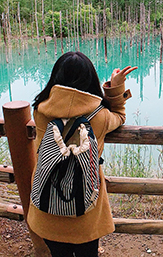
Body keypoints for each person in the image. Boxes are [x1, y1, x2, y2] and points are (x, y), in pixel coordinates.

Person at [27, 51, 137, 257]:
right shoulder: (100, 117)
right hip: (85, 208)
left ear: (55, 78)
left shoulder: (39, 111)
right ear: (91, 80)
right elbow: (120, 116)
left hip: (46, 205)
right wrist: (115, 88)